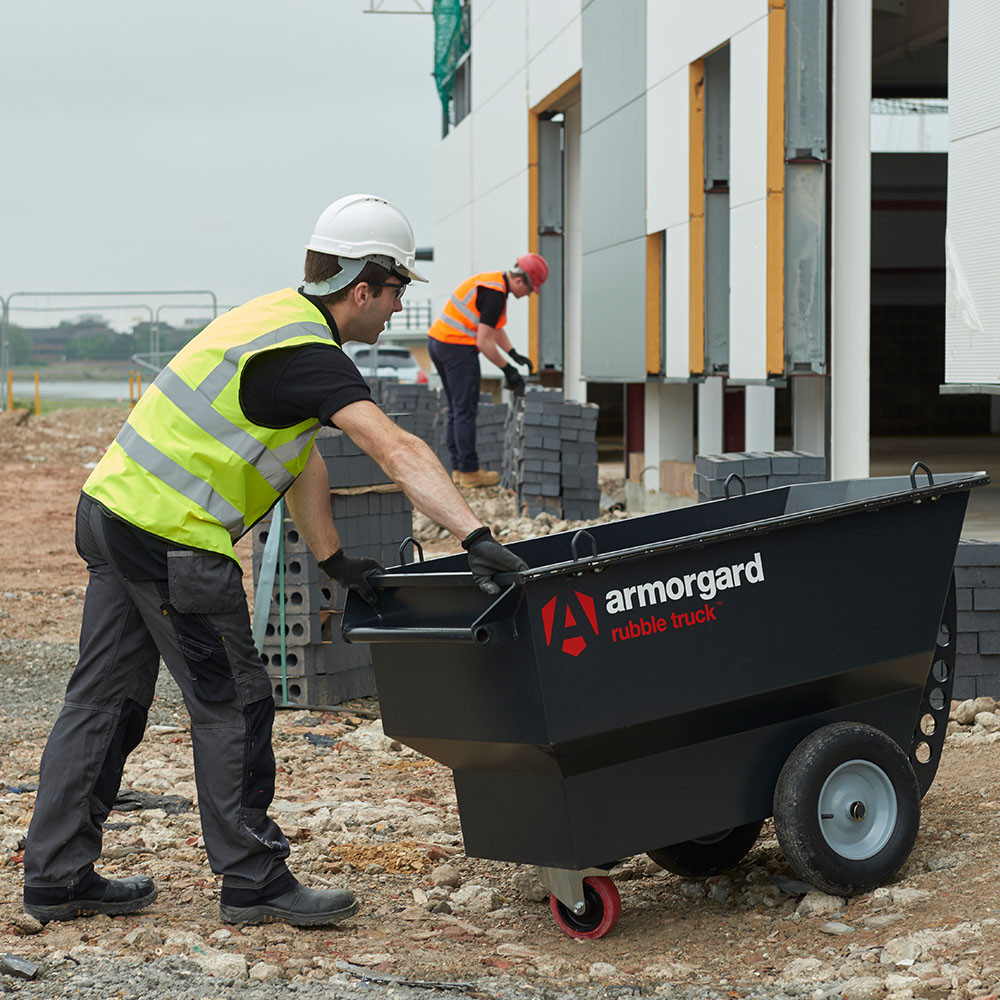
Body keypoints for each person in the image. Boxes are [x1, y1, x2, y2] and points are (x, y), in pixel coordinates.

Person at [22, 194, 527, 928]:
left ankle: (57, 876)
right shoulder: (306, 354)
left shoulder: (272, 320)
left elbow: (297, 458)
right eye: (394, 294)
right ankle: (254, 879)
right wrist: (476, 535)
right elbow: (396, 447)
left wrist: (334, 558)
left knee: (103, 701)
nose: (394, 311)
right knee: (234, 701)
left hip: (111, 513)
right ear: (362, 288)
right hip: (172, 537)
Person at [427, 254, 548, 488]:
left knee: (456, 409)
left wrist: (513, 354)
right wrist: (508, 370)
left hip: (439, 343)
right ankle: (470, 471)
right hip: (457, 348)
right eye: (531, 289)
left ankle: (460, 470)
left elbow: (494, 330)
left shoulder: (494, 284)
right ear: (521, 281)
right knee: (465, 410)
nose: (529, 295)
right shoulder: (495, 295)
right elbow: (484, 342)